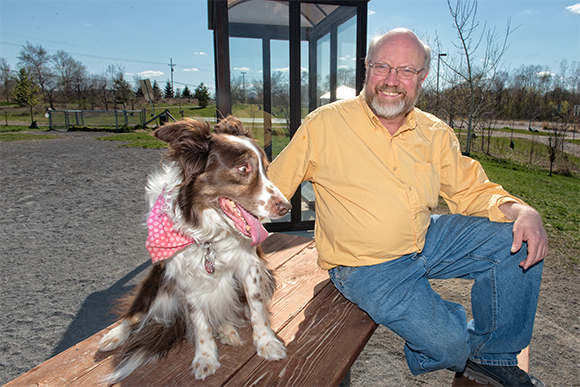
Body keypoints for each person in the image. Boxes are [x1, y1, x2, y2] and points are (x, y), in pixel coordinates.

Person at [268, 28, 548, 387]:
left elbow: (472, 189)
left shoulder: (435, 132)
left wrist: (523, 212)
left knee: (518, 241)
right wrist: (218, 218)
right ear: (366, 68)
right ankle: (460, 343)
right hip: (365, 265)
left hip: (426, 237)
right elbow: (271, 187)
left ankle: (494, 357)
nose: (391, 80)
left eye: (405, 71)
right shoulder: (325, 125)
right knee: (450, 346)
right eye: (382, 66)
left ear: (422, 77)